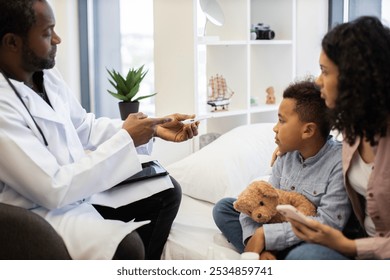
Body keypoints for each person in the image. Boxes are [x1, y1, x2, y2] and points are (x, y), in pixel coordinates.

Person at [0, 0, 199, 260]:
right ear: (12, 42)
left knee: (166, 191)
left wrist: (151, 128)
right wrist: (127, 138)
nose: (58, 39)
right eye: (48, 33)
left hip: (80, 189)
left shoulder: (45, 74)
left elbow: (83, 125)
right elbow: (53, 188)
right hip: (41, 212)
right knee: (127, 246)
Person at [285, 16, 390, 260]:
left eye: (324, 71)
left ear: (355, 79)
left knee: (303, 257)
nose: (318, 81)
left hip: (370, 250)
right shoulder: (355, 129)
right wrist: (290, 147)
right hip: (359, 240)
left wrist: (348, 246)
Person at [212, 79, 351, 259]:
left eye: (281, 121)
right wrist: (257, 239)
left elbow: (328, 224)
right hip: (277, 229)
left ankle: (268, 252)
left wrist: (266, 236)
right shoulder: (286, 155)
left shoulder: (338, 162)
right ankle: (262, 253)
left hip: (312, 238)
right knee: (224, 208)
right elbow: (266, 202)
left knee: (304, 254)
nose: (275, 128)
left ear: (308, 131)